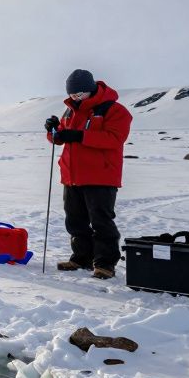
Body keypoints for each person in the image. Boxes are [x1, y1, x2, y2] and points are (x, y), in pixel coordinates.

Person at [45, 69, 132, 279]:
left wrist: (79, 135)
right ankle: (81, 258)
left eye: (81, 93)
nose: (76, 97)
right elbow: (61, 139)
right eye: (73, 94)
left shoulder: (114, 109)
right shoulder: (70, 111)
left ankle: (105, 264)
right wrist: (53, 131)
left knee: (101, 221)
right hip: (72, 175)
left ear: (91, 89)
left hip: (100, 176)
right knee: (75, 221)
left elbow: (114, 138)